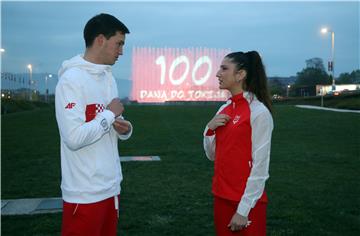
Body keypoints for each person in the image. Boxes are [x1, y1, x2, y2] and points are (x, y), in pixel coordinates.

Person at [55, 13, 132, 236]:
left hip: (110, 188)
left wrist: (124, 128)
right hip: (84, 193)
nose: (121, 51)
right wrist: (109, 115)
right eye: (118, 44)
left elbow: (108, 123)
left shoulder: (108, 77)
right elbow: (73, 138)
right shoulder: (71, 80)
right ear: (100, 40)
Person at [203, 51, 274, 236]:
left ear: (240, 75)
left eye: (224, 68)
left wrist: (243, 210)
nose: (218, 73)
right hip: (221, 197)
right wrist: (209, 130)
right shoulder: (224, 108)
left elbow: (261, 166)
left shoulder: (259, 112)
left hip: (247, 203)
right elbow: (212, 155)